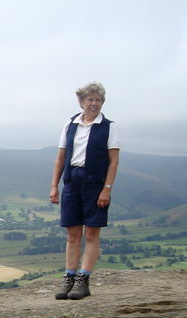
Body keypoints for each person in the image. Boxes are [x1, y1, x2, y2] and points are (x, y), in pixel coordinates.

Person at [49, 82, 120, 300]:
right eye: (90, 99)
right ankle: (69, 277)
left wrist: (106, 189)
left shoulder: (108, 126)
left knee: (91, 233)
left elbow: (113, 162)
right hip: (72, 183)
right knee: (72, 234)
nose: (94, 103)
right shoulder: (70, 125)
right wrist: (54, 185)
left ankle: (83, 280)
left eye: (98, 100)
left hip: (95, 184)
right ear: (81, 102)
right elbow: (61, 157)